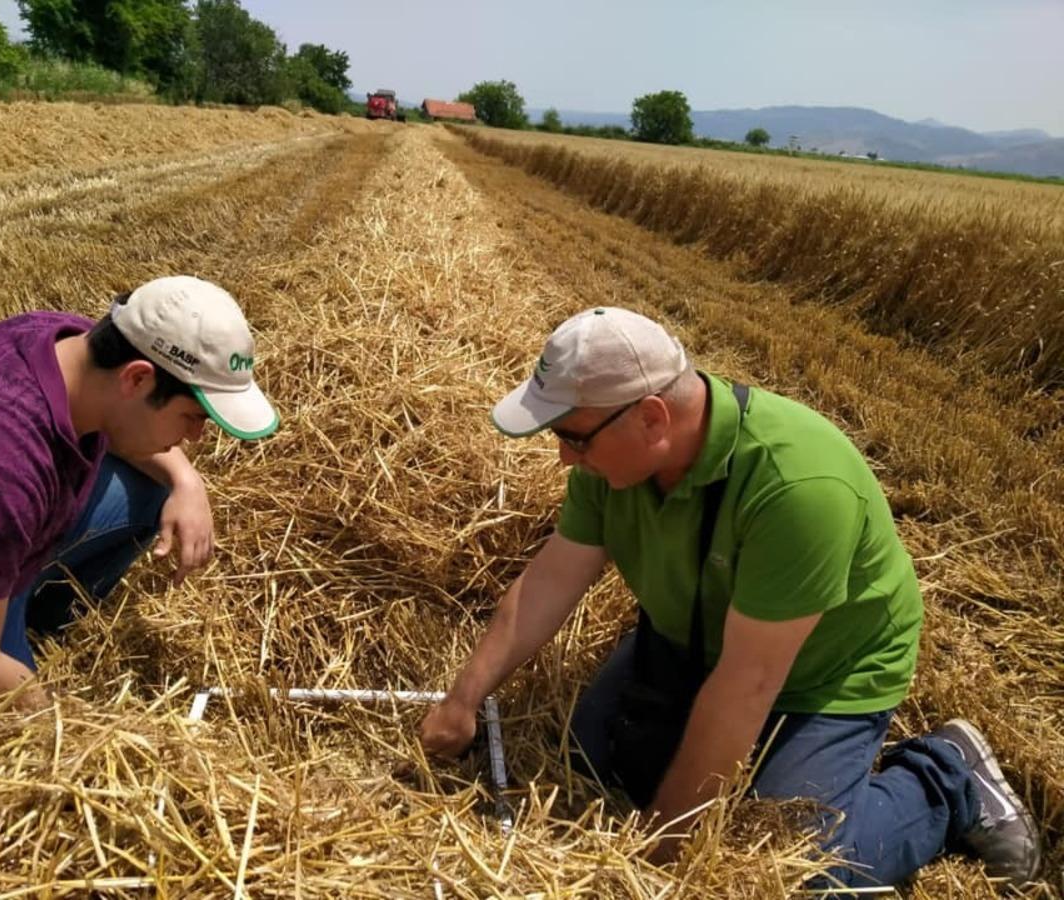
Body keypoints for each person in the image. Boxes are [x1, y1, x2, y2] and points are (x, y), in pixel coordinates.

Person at [418, 307, 1041, 891]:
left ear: (653, 418)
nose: (562, 457)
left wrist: (657, 856)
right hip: (699, 636)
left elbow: (747, 684)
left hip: (816, 674)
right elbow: (552, 578)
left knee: (791, 869)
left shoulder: (796, 486)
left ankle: (945, 775)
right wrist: (464, 698)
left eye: (574, 438)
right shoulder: (611, 463)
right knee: (586, 762)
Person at [0, 275, 278, 717]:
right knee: (4, 719)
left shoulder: (70, 345)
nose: (194, 437)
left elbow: (131, 439)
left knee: (151, 489)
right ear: (137, 379)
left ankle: (36, 625)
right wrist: (67, 729)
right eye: (192, 417)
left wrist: (186, 482)